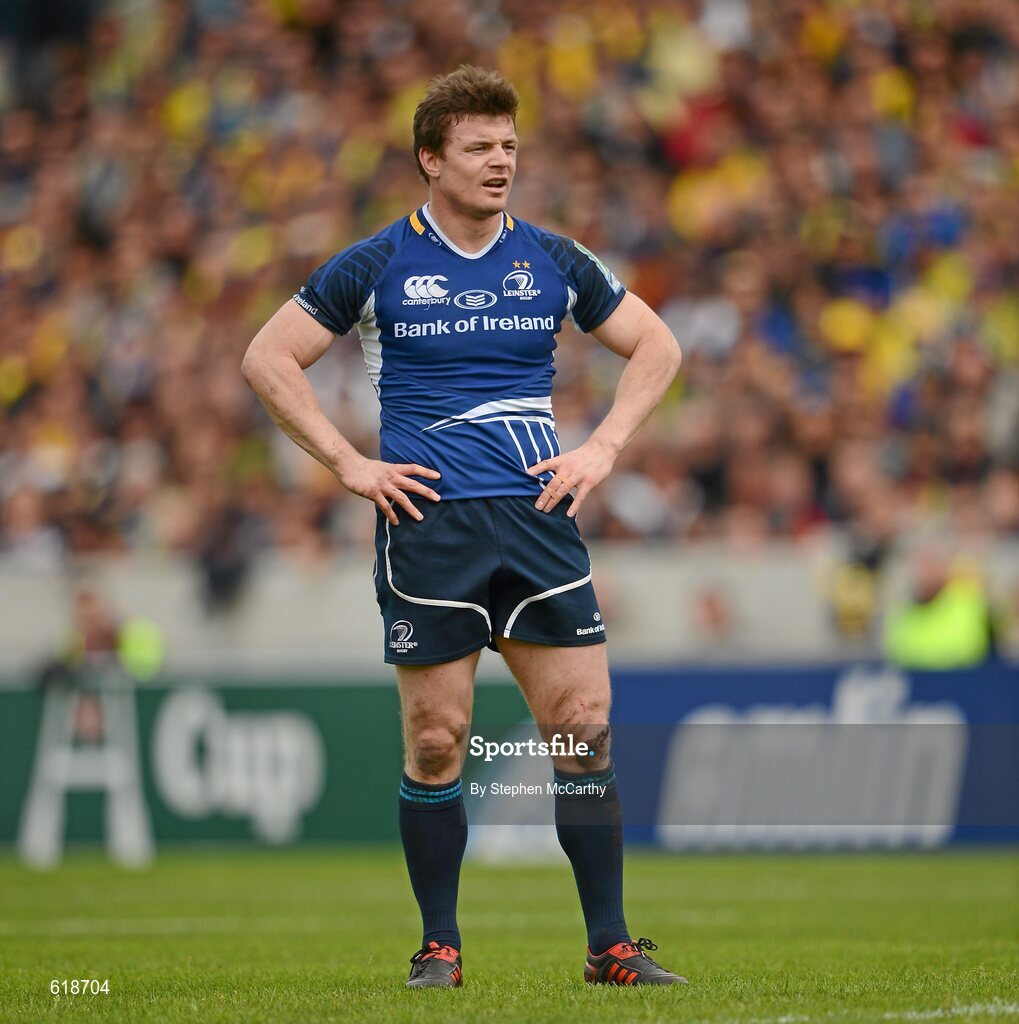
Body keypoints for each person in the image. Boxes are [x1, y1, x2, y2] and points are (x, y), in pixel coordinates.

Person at [241, 65, 685, 988]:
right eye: (480, 147)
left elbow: (657, 344)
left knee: (582, 728)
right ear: (429, 159)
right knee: (438, 740)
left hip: (538, 524)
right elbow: (267, 356)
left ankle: (609, 947)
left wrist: (601, 449)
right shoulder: (374, 263)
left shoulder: (554, 259)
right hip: (430, 527)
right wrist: (348, 463)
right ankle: (439, 943)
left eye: (509, 146)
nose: (500, 162)